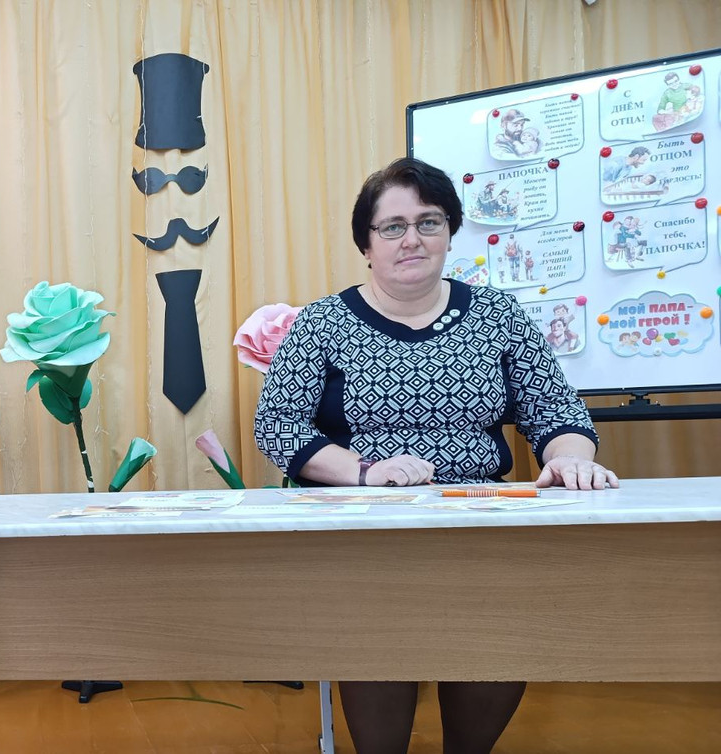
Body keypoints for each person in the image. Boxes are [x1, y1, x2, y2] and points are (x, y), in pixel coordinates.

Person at [254, 157, 617, 754]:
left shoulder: (498, 315)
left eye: (429, 222)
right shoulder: (323, 322)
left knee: (492, 641)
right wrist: (365, 473)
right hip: (367, 528)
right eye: (392, 227)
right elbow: (277, 425)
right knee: (377, 645)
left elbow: (557, 413)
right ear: (366, 244)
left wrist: (571, 458)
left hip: (481, 522)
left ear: (450, 232)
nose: (412, 239)